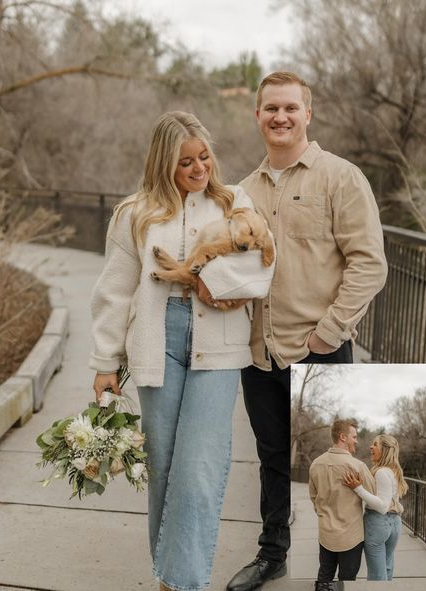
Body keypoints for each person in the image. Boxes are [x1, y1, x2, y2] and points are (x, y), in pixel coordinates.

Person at [89, 111, 274, 591]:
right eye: (185, 161)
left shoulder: (235, 202)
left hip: (219, 342)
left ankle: (181, 583)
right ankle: (170, 580)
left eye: (204, 157)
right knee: (164, 469)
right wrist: (105, 362)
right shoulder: (135, 213)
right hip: (158, 340)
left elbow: (259, 270)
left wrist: (199, 279)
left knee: (199, 470)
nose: (198, 169)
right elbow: (115, 290)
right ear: (163, 164)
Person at [224, 71, 388, 591]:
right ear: (257, 116)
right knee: (272, 458)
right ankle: (272, 553)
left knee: (333, 467)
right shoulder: (241, 192)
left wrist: (329, 333)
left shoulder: (340, 178)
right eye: (271, 108)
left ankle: (339, 569)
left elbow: (369, 263)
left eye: (291, 107)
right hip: (259, 353)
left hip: (320, 351)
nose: (280, 116)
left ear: (307, 114)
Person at [309, 419, 375, 591]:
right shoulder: (358, 466)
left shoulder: (316, 464)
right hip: (351, 536)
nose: (357, 441)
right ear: (343, 437)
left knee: (324, 575)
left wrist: (325, 515)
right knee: (347, 579)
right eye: (354, 436)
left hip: (326, 534)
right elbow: (374, 498)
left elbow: (314, 498)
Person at [343, 434, 408, 581]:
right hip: (394, 524)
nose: (371, 447)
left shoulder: (382, 472)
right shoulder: (393, 471)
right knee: (387, 568)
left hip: (378, 524)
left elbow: (382, 506)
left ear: (384, 449)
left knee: (377, 576)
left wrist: (358, 488)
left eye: (375, 444)